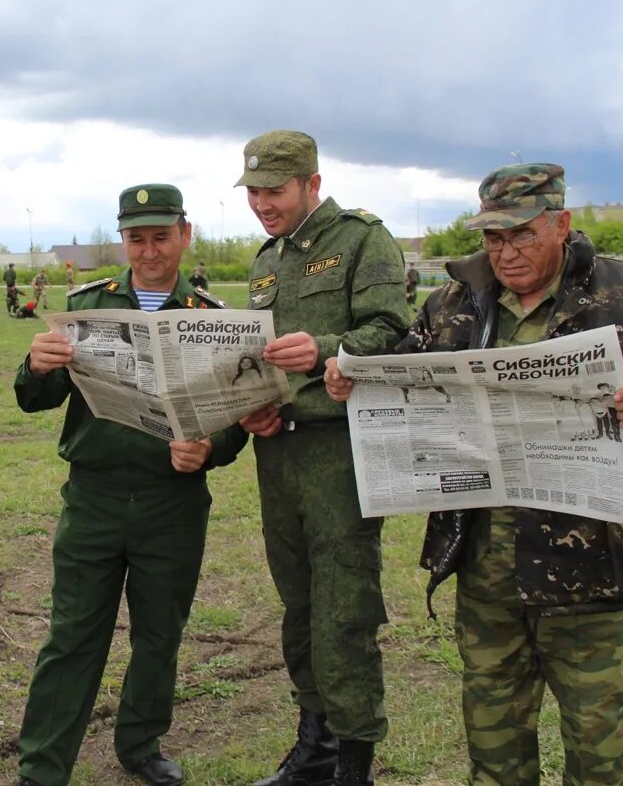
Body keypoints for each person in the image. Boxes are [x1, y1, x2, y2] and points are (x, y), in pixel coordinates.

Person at [324, 162, 623, 784]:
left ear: (561, 224)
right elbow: (408, 379)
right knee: (494, 742)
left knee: (599, 750)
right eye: (493, 239)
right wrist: (356, 381)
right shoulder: (452, 303)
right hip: (486, 568)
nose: (506, 253)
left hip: (593, 571)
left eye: (522, 235)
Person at [15, 184, 248, 786]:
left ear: (185, 235)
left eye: (161, 237)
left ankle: (141, 744)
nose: (149, 252)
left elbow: (232, 423)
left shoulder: (212, 321)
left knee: (158, 632)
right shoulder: (87, 306)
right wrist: (37, 365)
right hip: (92, 498)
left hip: (171, 503)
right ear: (123, 240)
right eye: (137, 238)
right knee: (72, 636)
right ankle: (42, 766)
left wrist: (208, 449)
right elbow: (33, 400)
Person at [234, 130, 410, 786]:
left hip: (342, 450)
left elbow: (393, 329)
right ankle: (315, 746)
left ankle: (354, 763)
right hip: (278, 452)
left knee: (345, 609)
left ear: (311, 182)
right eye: (252, 191)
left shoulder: (364, 239)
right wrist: (255, 404)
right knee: (301, 607)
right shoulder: (265, 260)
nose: (261, 204)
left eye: (273, 191)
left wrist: (326, 350)